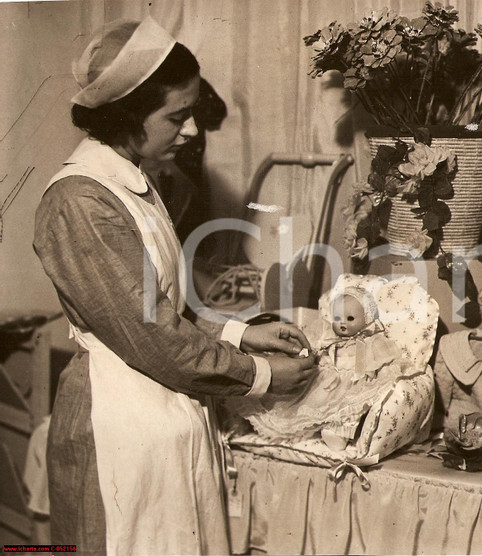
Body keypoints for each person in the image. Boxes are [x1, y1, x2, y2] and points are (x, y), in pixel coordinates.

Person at [33, 16, 316, 555]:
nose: (192, 131)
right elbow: (149, 333)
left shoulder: (136, 183)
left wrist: (240, 334)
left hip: (163, 422)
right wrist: (260, 376)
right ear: (128, 114)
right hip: (120, 432)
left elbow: (163, 308)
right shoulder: (80, 200)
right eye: (178, 115)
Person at [230, 284, 406, 452]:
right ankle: (303, 430)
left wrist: (368, 374)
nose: (343, 323)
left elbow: (374, 361)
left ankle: (338, 434)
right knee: (307, 403)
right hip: (324, 377)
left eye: (350, 318)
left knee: (348, 406)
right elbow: (316, 347)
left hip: (351, 380)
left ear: (367, 319)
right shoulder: (329, 335)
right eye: (338, 318)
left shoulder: (368, 342)